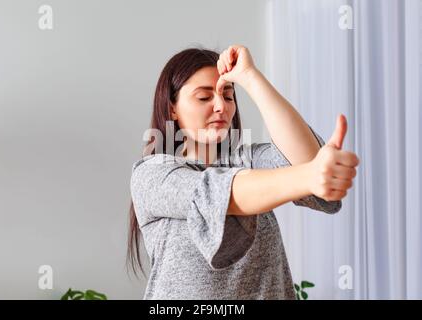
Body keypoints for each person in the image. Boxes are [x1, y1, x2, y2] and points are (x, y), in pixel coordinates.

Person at [128, 45, 360, 299]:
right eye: (204, 97)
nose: (221, 107)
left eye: (228, 96)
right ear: (172, 107)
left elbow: (305, 160)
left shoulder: (249, 161)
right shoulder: (152, 174)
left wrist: (250, 76)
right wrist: (308, 175)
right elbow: (217, 193)